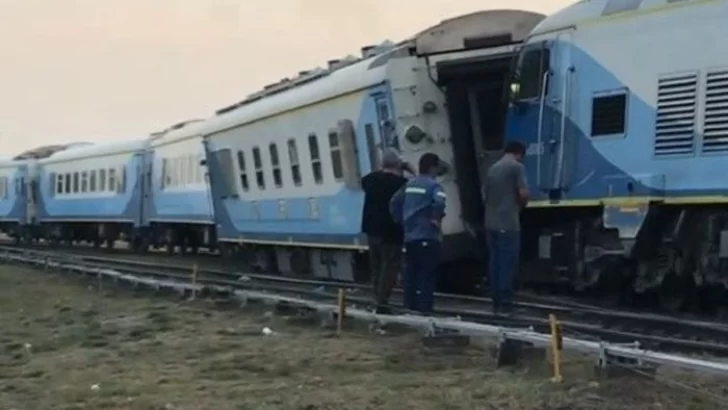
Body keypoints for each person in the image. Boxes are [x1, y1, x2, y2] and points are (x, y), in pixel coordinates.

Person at [389, 152, 446, 315]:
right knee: (426, 274)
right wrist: (435, 218)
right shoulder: (434, 186)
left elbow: (394, 203)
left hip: (410, 236)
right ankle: (425, 309)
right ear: (433, 167)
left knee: (411, 273)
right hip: (428, 235)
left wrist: (401, 220)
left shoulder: (409, 184)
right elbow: (440, 201)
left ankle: (410, 307)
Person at [361, 149, 412, 314]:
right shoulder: (401, 183)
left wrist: (387, 166)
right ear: (398, 164)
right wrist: (411, 170)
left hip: (371, 229)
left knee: (376, 267)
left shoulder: (369, 180)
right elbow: (415, 186)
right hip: (391, 231)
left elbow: (371, 177)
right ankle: (382, 303)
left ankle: (378, 299)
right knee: (389, 267)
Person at [482, 141, 529, 315]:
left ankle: (495, 302)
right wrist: (521, 205)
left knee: (495, 262)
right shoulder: (516, 168)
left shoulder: (492, 169)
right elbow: (523, 193)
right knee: (508, 263)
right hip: (508, 222)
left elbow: (484, 194)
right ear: (519, 154)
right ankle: (506, 303)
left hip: (490, 222)